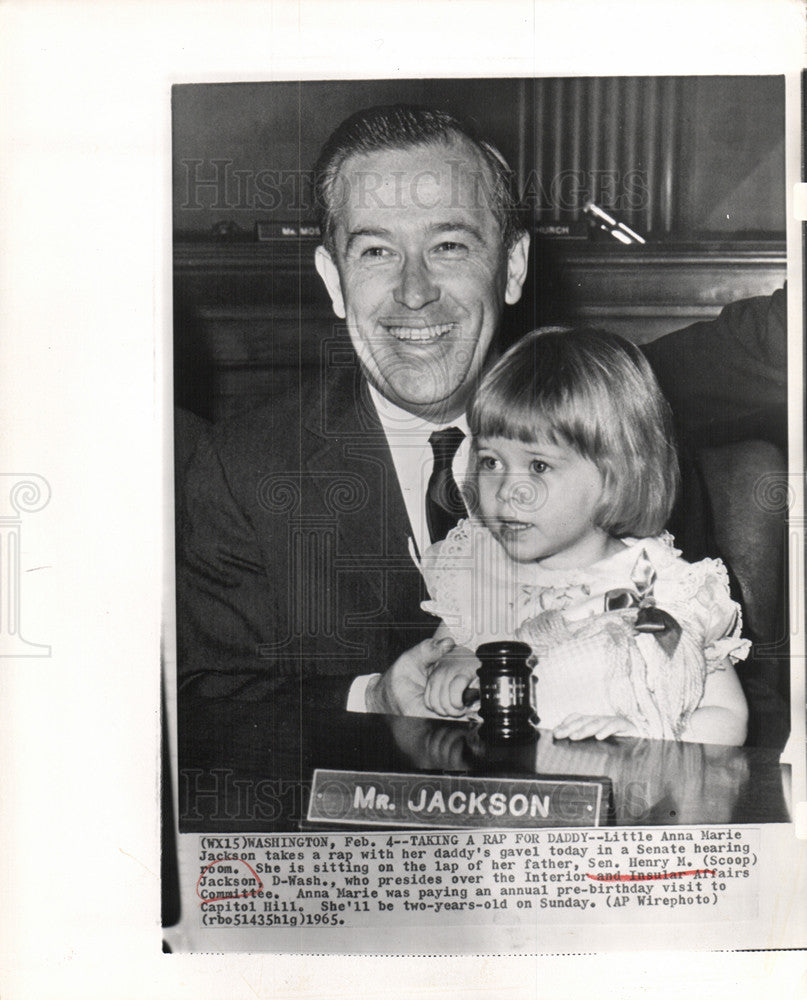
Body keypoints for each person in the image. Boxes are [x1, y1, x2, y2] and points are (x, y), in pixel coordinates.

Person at [177, 104, 786, 741]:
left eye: (449, 246)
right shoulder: (244, 467)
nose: (415, 292)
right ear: (333, 278)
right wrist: (375, 695)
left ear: (512, 266)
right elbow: (209, 702)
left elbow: (717, 696)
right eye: (378, 251)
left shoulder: (618, 436)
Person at [411, 327, 749, 746]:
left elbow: (728, 717)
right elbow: (439, 668)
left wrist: (644, 737)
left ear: (615, 475)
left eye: (538, 466)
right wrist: (455, 665)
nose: (505, 490)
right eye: (491, 461)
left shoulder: (652, 589)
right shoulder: (479, 570)